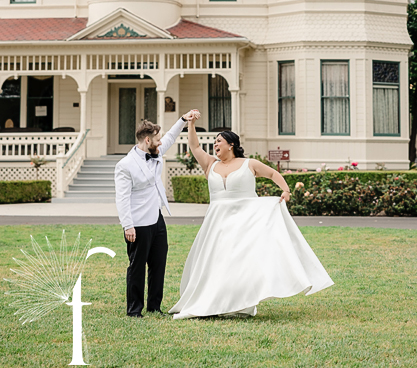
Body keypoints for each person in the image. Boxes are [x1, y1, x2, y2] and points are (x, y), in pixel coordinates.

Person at [168, 110, 333, 319]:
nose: (215, 145)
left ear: (231, 144)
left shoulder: (249, 164)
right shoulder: (211, 164)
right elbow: (194, 146)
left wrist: (286, 190)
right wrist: (190, 123)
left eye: (219, 141)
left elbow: (273, 173)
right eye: (214, 143)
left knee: (241, 264)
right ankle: (211, 301)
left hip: (245, 223)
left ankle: (241, 304)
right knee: (216, 263)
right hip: (216, 224)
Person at [114, 112, 191, 317]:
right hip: (137, 223)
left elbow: (171, 137)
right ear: (147, 140)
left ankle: (155, 307)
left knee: (159, 264)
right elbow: (122, 198)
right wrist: (127, 225)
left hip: (157, 219)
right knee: (137, 267)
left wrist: (183, 120)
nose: (160, 143)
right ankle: (134, 310)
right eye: (157, 139)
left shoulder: (155, 150)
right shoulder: (125, 165)